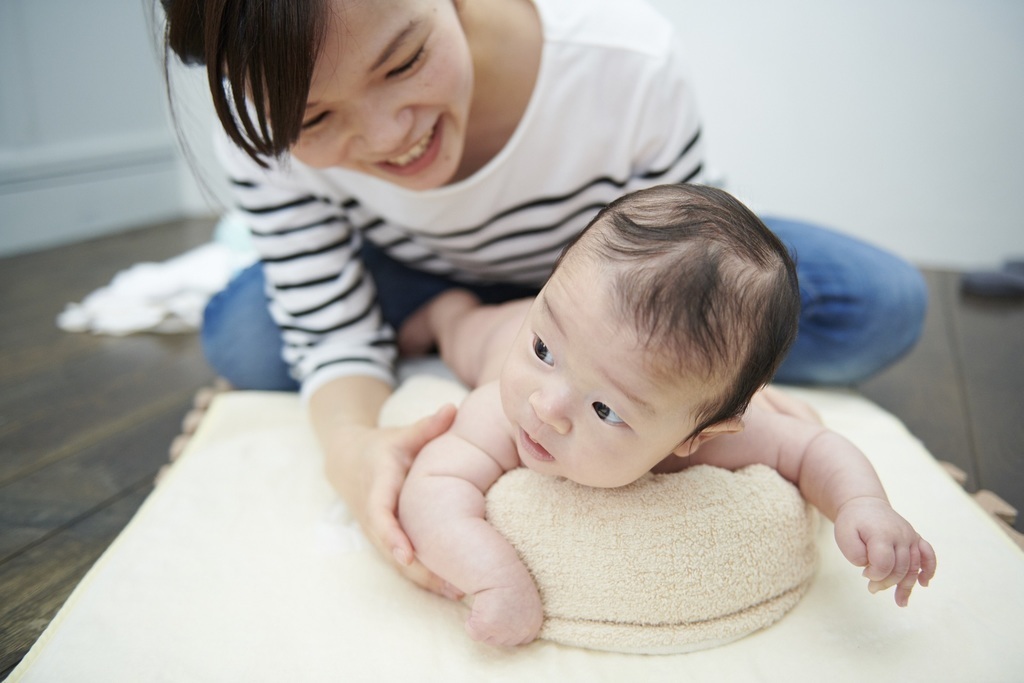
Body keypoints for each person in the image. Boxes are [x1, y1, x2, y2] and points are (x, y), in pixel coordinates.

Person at [159, 0, 928, 597]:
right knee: (245, 336)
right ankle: (447, 315)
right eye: (315, 119)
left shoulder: (619, 58)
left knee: (878, 301)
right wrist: (353, 452)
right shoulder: (258, 116)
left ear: (705, 431)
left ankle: (503, 332)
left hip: (634, 289)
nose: (389, 133)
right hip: (431, 278)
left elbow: (692, 244)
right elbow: (437, 476)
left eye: (404, 62)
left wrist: (846, 489)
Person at [398, 184, 936, 646]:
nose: (545, 407)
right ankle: (448, 313)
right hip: (499, 330)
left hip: (619, 355)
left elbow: (814, 449)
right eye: (541, 352)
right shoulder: (499, 409)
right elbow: (432, 490)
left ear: (698, 436)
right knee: (467, 333)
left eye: (606, 409)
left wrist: (862, 504)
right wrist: (497, 580)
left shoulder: (724, 437)